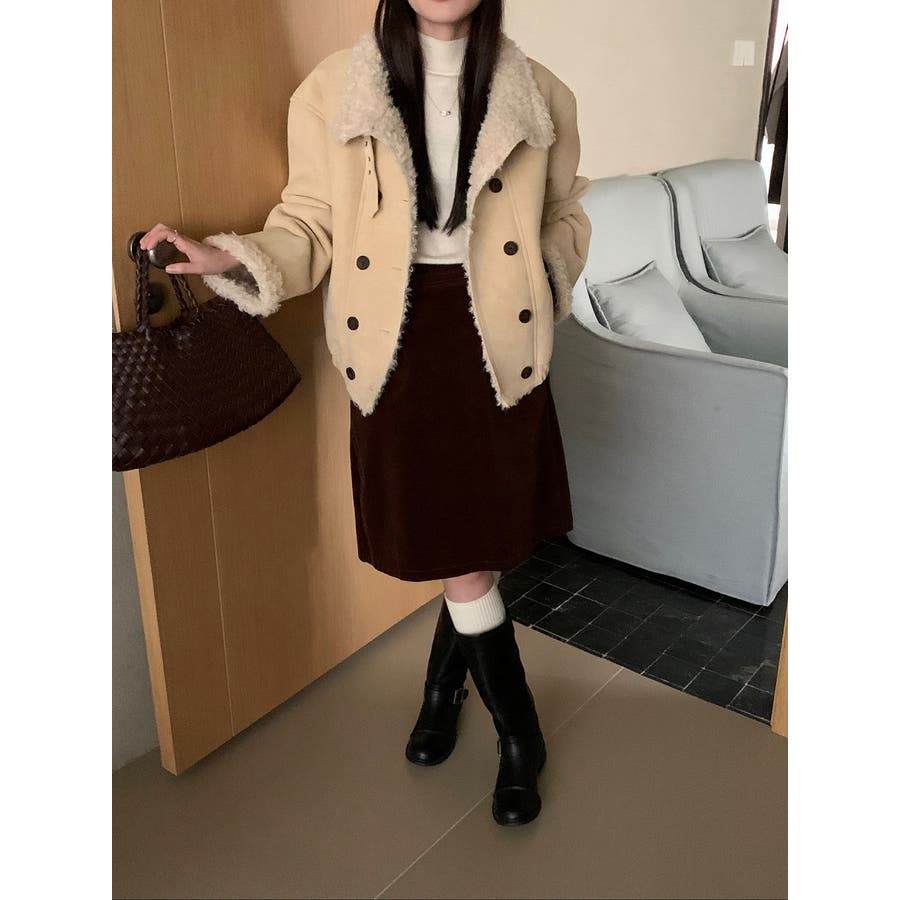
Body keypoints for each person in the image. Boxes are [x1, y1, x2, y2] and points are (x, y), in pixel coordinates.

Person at [139, 0, 591, 827]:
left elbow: (566, 213)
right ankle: (519, 732)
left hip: (501, 335)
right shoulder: (333, 89)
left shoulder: (542, 91)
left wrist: (543, 275)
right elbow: (309, 226)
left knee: (475, 547)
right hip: (396, 341)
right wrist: (227, 258)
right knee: (457, 550)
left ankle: (452, 699)